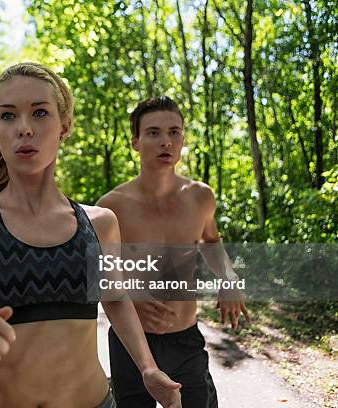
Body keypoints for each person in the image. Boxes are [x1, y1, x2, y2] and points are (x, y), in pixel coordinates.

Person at [0, 62, 182, 408]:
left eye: (40, 113)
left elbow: (115, 299)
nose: (24, 128)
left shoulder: (100, 223)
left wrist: (148, 368)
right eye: (9, 116)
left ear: (65, 127)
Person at [97, 96, 251, 408]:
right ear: (135, 142)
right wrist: (131, 295)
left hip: (186, 339)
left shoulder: (200, 197)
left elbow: (210, 240)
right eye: (153, 133)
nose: (166, 141)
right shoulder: (110, 207)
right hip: (132, 342)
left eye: (174, 132)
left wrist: (228, 277)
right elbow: (98, 275)